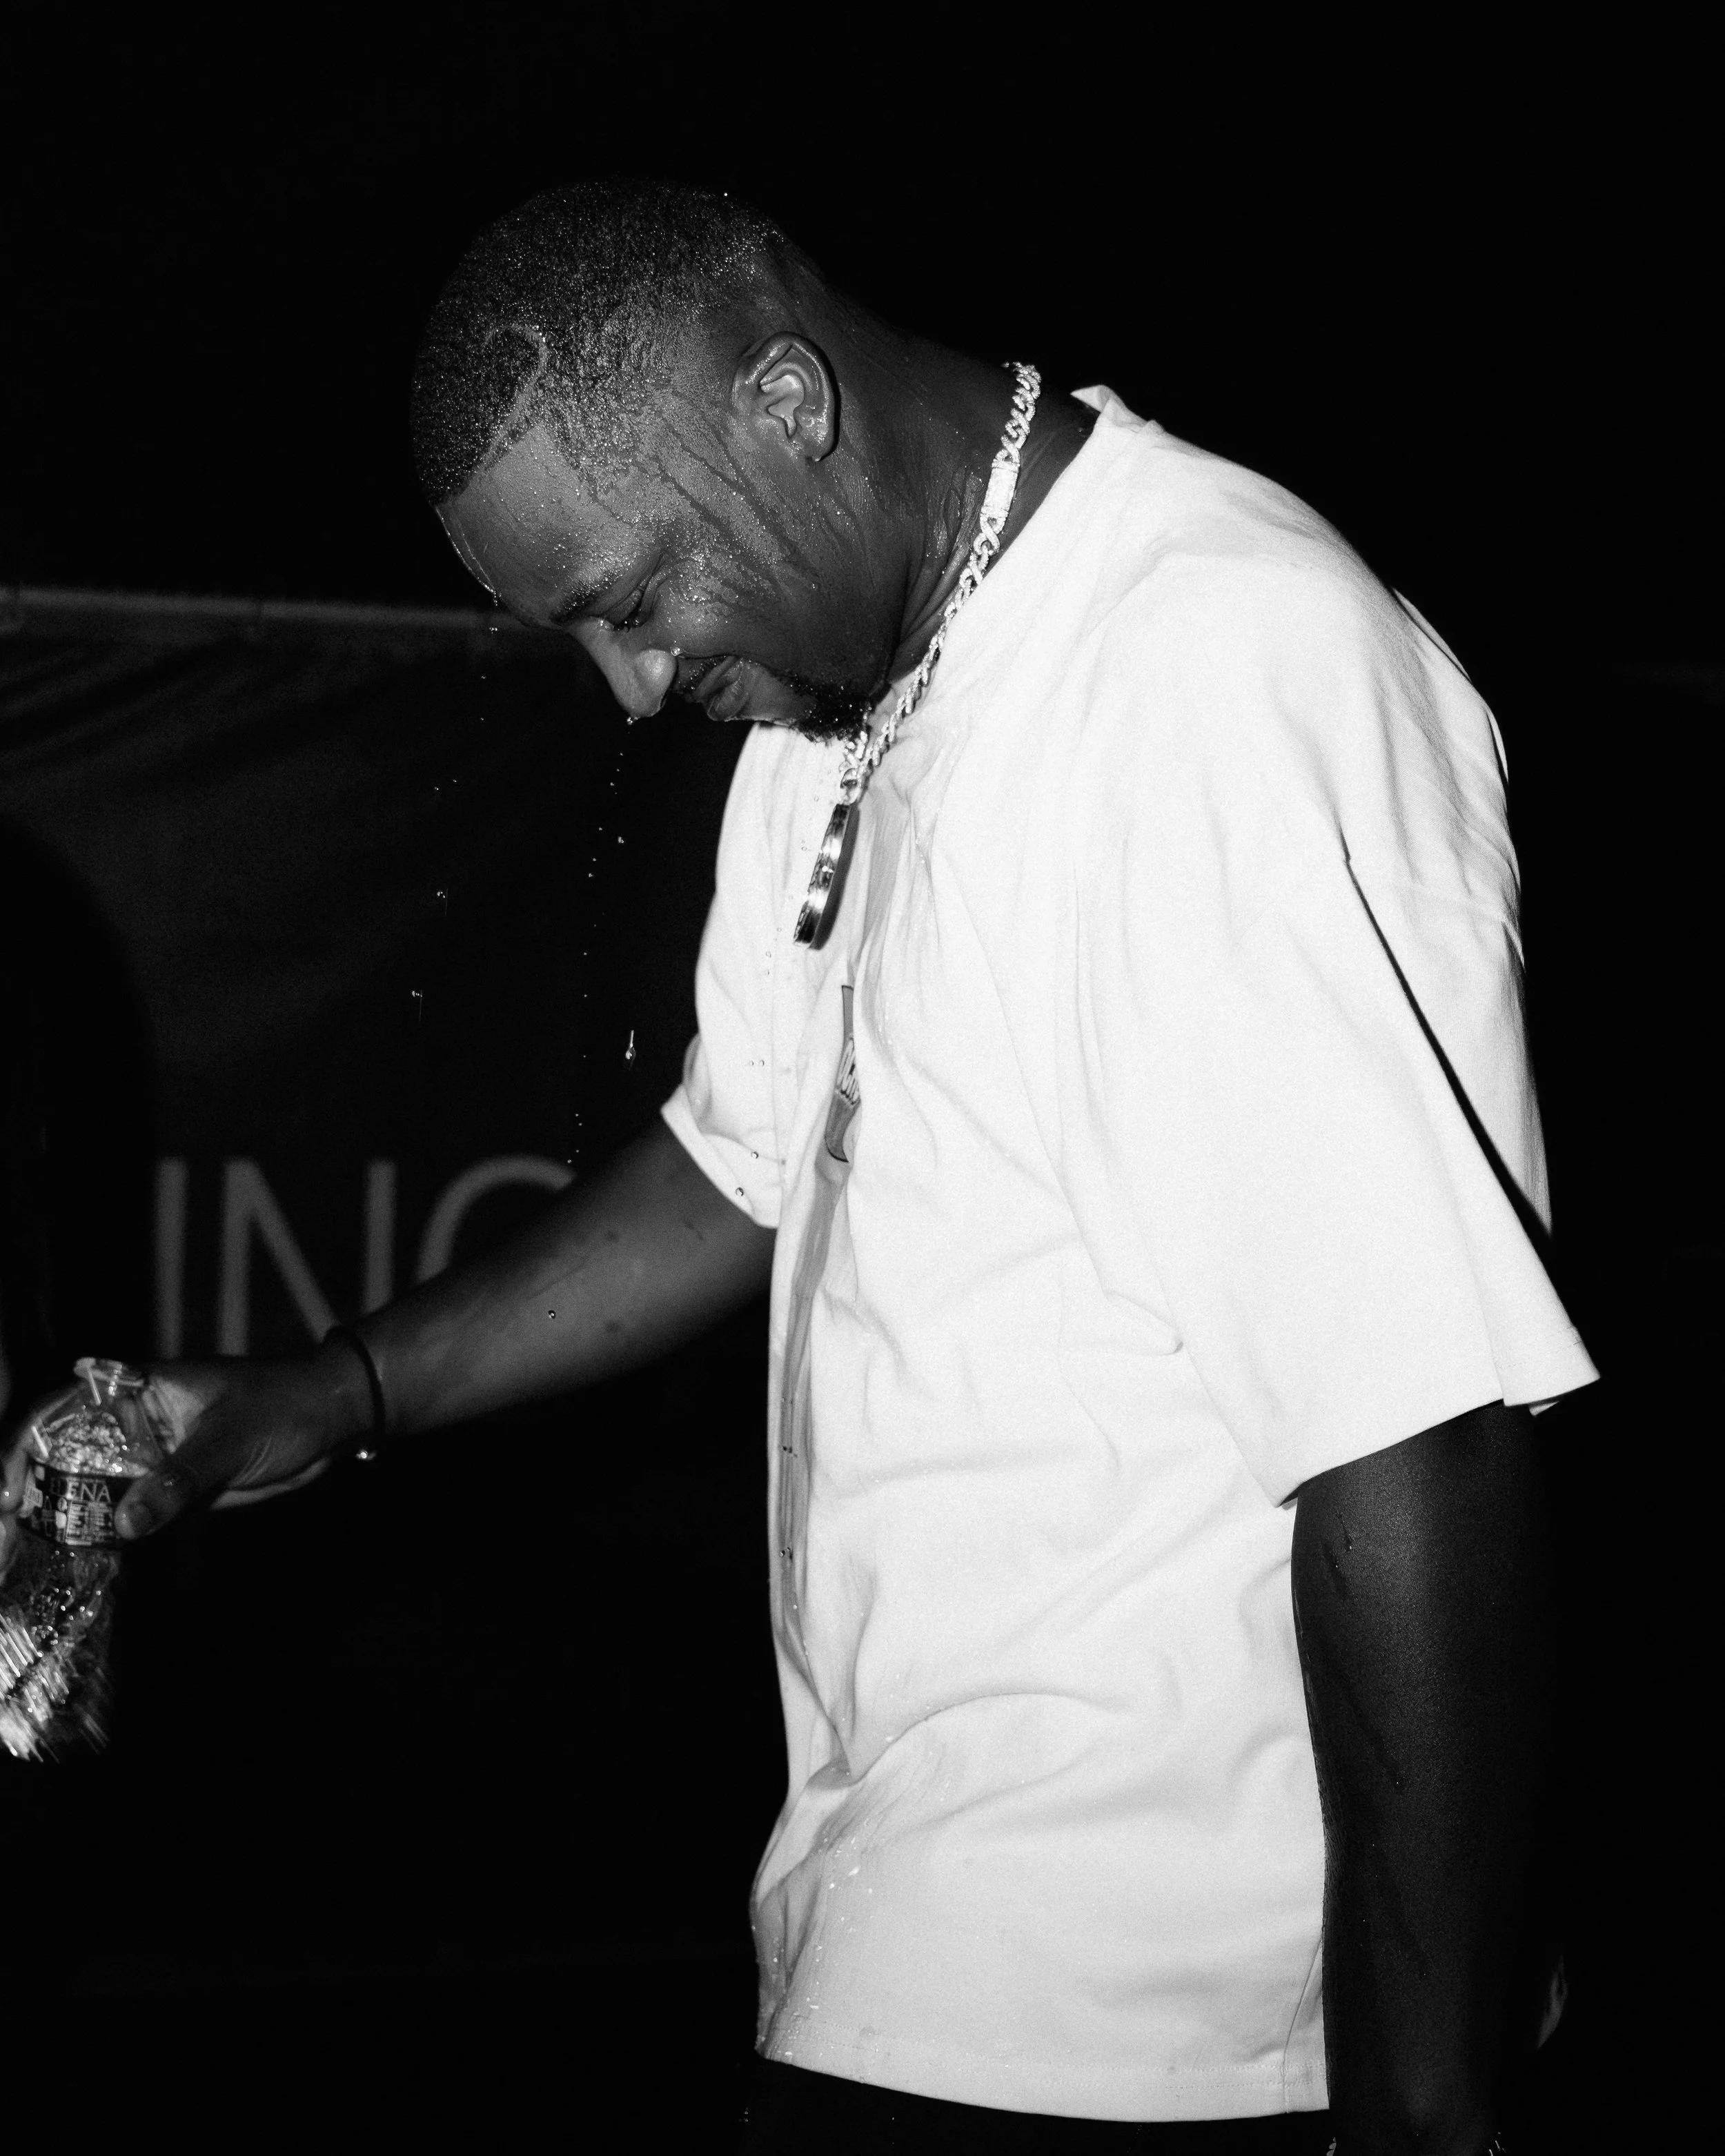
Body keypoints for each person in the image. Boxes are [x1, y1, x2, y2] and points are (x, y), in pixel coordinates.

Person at [1, 181, 1596, 2153]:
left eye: (629, 597)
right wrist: (316, 1396)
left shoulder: (1217, 672)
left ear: (787, 402)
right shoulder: (841, 713)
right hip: (908, 1938)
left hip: (1163, 2028)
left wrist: (1420, 2111)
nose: (632, 687)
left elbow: (1418, 1428)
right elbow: (736, 1155)